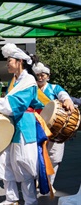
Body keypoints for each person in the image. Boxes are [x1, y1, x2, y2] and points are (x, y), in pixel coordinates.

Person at [0, 43, 44, 205]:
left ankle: (30, 201)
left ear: (20, 61)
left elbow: (16, 104)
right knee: (4, 162)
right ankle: (11, 198)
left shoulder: (29, 80)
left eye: (10, 60)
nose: (7, 63)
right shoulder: (14, 81)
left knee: (24, 164)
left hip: (24, 126)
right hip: (10, 127)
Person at [32, 62, 74, 192]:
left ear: (48, 76)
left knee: (54, 156)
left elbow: (63, 95)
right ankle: (39, 179)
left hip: (55, 127)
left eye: (42, 75)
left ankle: (50, 182)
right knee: (37, 155)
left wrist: (67, 100)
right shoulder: (32, 90)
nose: (40, 77)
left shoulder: (55, 88)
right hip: (36, 125)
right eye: (38, 75)